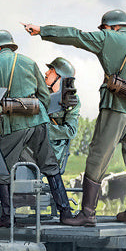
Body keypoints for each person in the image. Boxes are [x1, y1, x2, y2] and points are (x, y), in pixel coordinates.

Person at [23, 9, 126, 226]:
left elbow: (75, 36)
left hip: (115, 109)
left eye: (104, 28)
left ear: (110, 27)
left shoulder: (106, 38)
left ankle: (87, 214)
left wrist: (42, 31)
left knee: (97, 157)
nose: (102, 31)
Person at [0, 30, 73, 227]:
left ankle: (7, 217)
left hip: (13, 124)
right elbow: (44, 95)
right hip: (38, 120)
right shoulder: (29, 62)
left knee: (3, 170)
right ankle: (66, 213)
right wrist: (35, 111)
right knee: (50, 165)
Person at [44, 57, 79, 218]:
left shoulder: (71, 100)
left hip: (54, 148)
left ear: (60, 77)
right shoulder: (42, 95)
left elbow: (70, 130)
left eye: (51, 71)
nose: (46, 73)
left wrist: (42, 129)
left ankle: (65, 211)